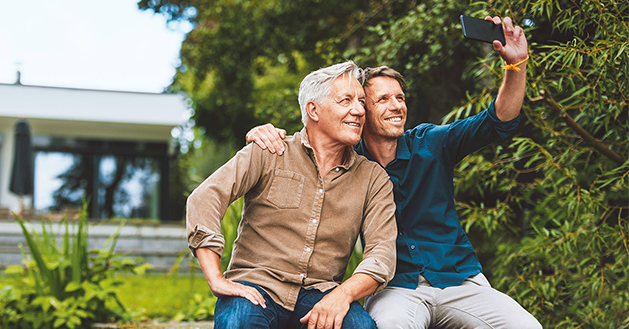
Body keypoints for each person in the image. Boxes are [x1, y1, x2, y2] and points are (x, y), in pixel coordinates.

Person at [246, 16, 541, 328]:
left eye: (400, 97)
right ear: (362, 110)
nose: (396, 105)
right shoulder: (346, 160)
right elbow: (306, 143)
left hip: (459, 280)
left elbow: (498, 121)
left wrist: (516, 65)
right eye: (383, 100)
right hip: (396, 288)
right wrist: (263, 133)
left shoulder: (431, 143)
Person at [186, 61, 397, 329]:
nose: (358, 110)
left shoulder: (373, 178)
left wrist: (342, 295)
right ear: (313, 110)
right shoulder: (269, 151)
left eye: (362, 102)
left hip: (322, 293)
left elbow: (382, 252)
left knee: (361, 327)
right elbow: (204, 198)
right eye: (346, 101)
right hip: (257, 287)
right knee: (238, 323)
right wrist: (216, 278)